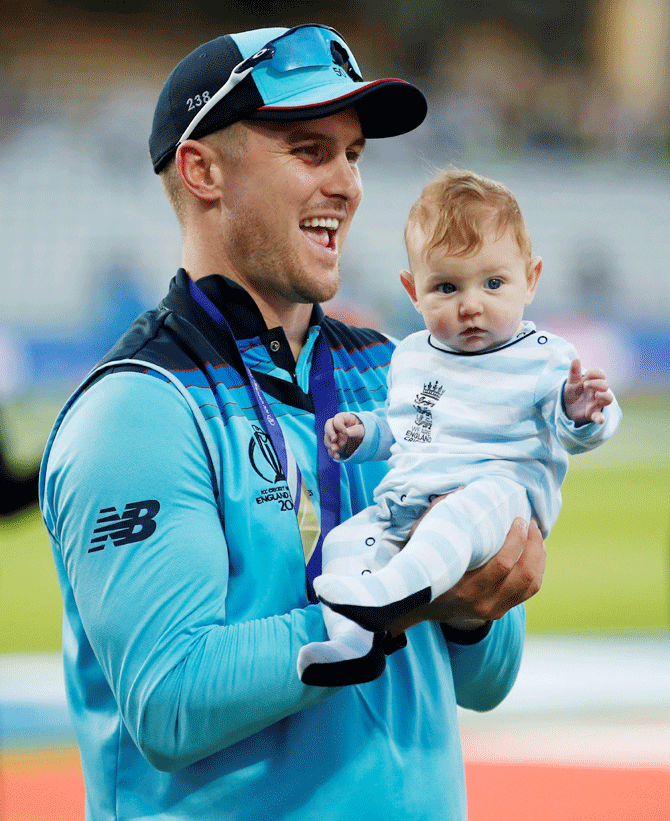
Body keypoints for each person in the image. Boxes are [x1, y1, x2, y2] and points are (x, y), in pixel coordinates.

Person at [40, 26, 546, 821]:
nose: (346, 183)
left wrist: (480, 594)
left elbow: (487, 678)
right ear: (202, 170)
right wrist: (400, 597)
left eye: (354, 155)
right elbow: (171, 703)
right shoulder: (137, 408)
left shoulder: (397, 371)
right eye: (310, 151)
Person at [299, 168, 621, 687]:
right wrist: (362, 436)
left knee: (459, 515)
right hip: (408, 496)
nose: (471, 304)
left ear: (531, 279)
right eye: (447, 287)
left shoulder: (543, 357)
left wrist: (580, 413)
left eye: (493, 283)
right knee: (346, 541)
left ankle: (388, 599)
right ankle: (352, 645)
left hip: (500, 496)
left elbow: (582, 427)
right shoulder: (411, 356)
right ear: (413, 292)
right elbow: (409, 430)